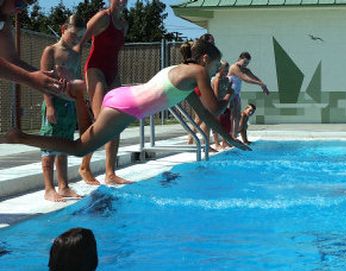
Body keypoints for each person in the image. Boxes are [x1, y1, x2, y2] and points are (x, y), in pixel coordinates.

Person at [2, 40, 251, 159]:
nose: (217, 69)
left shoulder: (181, 70)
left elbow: (206, 115)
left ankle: (77, 92)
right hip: (126, 108)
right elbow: (216, 109)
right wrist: (229, 93)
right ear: (205, 59)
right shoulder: (197, 72)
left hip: (122, 97)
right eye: (216, 65)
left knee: (86, 140)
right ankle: (21, 137)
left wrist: (229, 138)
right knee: (81, 148)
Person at [76, 0, 129, 185]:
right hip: (95, 69)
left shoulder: (124, 24)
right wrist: (72, 69)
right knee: (101, 120)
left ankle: (110, 172)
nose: (122, 1)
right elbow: (80, 42)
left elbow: (114, 52)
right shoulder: (101, 17)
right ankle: (84, 166)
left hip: (113, 72)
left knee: (117, 120)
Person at [39, 15, 86, 202]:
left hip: (69, 104)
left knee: (64, 147)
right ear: (63, 29)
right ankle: (49, 188)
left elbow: (74, 80)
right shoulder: (50, 51)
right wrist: (49, 106)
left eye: (79, 36)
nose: (75, 39)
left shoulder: (75, 54)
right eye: (73, 34)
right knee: (49, 147)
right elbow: (44, 82)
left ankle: (64, 185)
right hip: (55, 104)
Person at [0, 0, 67, 96]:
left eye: (24, 7)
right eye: (20, 3)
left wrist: (48, 78)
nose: (19, 11)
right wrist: (30, 78)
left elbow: (11, 61)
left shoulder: (4, 18)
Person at [228, 52, 269, 138]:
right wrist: (260, 84)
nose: (245, 65)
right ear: (239, 59)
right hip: (229, 94)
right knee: (233, 116)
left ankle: (234, 136)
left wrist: (263, 85)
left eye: (247, 63)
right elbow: (245, 78)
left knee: (236, 116)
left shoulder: (244, 69)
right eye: (244, 62)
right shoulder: (234, 67)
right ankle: (232, 136)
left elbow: (254, 77)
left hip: (236, 94)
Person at [211, 60, 233, 150]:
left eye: (227, 70)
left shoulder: (226, 79)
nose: (226, 72)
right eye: (225, 70)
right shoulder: (216, 79)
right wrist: (218, 106)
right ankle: (216, 143)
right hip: (217, 103)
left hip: (224, 103)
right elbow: (215, 94)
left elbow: (228, 90)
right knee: (216, 124)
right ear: (219, 69)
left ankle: (224, 141)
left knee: (226, 123)